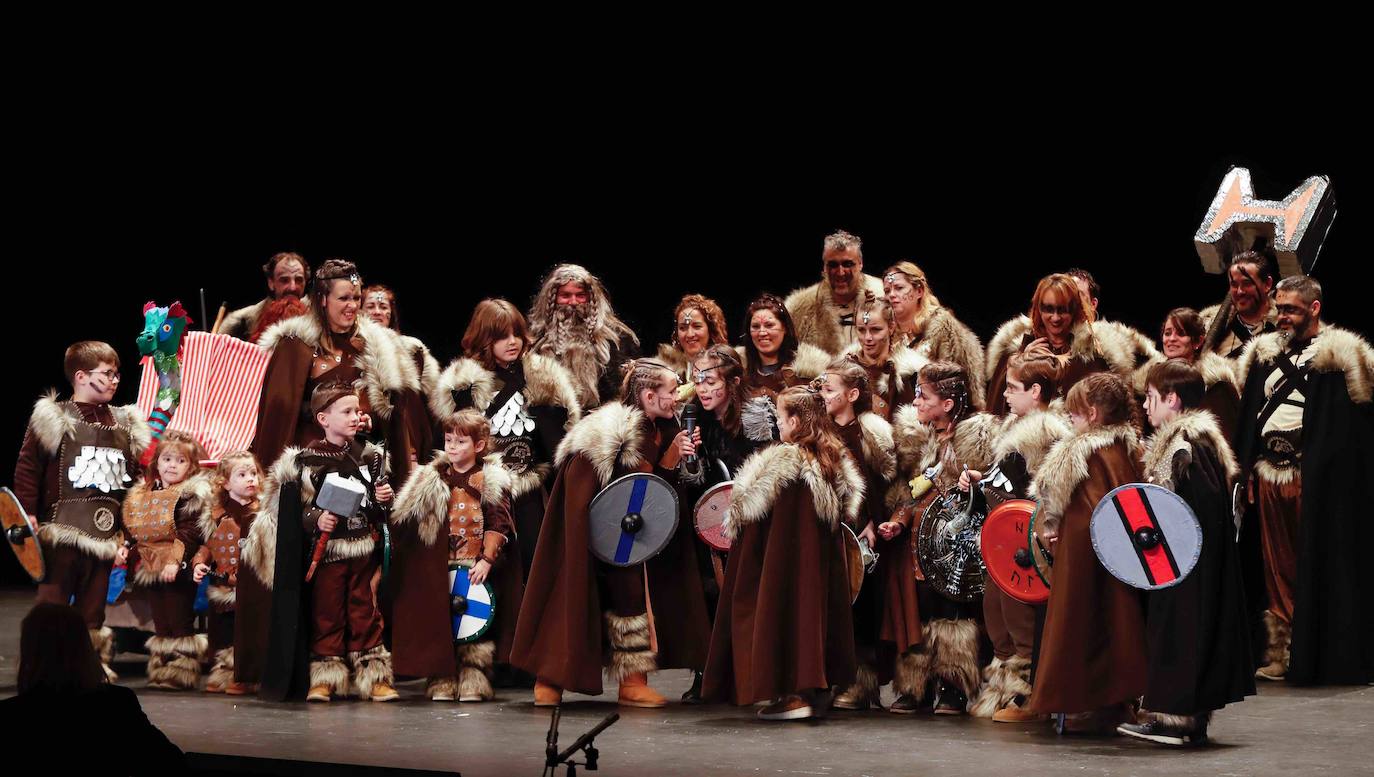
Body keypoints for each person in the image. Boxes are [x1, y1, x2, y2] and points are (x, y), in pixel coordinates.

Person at [510, 359, 709, 709]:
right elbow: (612, 489)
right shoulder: (615, 429)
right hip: (593, 527)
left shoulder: (659, 426)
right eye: (672, 391)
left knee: (630, 596)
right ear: (649, 394)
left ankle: (633, 681)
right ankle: (550, 679)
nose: (678, 397)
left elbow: (649, 494)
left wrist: (675, 458)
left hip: (627, 533)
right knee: (572, 597)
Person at [1234, 275, 1374, 685]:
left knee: (1321, 563)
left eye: (1291, 309)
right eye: (1279, 308)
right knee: (1278, 569)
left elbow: (1350, 430)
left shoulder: (1342, 355)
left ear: (1314, 308)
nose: (1282, 317)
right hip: (1270, 474)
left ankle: (1319, 652)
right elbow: (1250, 418)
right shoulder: (1263, 354)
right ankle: (1283, 651)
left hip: (1314, 479)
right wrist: (1248, 469)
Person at [701, 385, 863, 721]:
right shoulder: (827, 460)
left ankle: (793, 694)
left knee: (786, 613)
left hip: (783, 565)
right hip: (810, 568)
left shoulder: (787, 466)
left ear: (797, 420)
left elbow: (781, 532)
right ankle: (807, 690)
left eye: (780, 416)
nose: (777, 423)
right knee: (806, 614)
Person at [1116, 359, 1254, 746]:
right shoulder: (1197, 440)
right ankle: (1182, 718)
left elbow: (1194, 512)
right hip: (1185, 566)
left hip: (1184, 570)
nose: (1145, 407)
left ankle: (1176, 721)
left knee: (1181, 632)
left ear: (1172, 400)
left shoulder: (1184, 445)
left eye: (1151, 398)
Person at [245, 382, 399, 702]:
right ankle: (325, 675)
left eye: (357, 411)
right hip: (327, 552)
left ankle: (374, 676)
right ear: (323, 419)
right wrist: (316, 518)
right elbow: (294, 512)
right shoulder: (306, 461)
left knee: (364, 609)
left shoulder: (370, 455)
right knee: (327, 611)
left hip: (362, 546)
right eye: (347, 411)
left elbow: (379, 507)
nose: (356, 417)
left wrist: (384, 498)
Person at [12, 340, 150, 681]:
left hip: (105, 532)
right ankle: (43, 667)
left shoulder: (124, 423)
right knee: (53, 603)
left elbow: (132, 482)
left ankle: (88, 664)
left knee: (93, 607)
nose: (115, 380)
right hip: (62, 530)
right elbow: (29, 467)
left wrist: (130, 532)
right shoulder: (55, 417)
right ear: (81, 376)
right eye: (107, 374)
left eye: (117, 374)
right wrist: (26, 512)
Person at [1028, 373, 1147, 734]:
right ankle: (1114, 699)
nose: (1069, 418)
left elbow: (1087, 510)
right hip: (1120, 557)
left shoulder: (1086, 451)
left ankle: (1083, 701)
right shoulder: (1127, 449)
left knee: (1081, 622)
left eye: (1075, 412)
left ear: (1093, 414)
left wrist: (1057, 532)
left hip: (1086, 556)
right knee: (1119, 622)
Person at [251, 258, 435, 489]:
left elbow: (392, 415)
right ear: (323, 299)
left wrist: (369, 419)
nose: (352, 305)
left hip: (361, 463)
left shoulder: (376, 346)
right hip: (311, 469)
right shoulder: (295, 346)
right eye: (344, 298)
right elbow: (279, 417)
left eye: (356, 298)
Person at [430, 299, 581, 574]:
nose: (512, 342)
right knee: (487, 567)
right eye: (502, 337)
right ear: (484, 339)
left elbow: (558, 442)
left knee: (534, 562)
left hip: (531, 487)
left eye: (516, 334)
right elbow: (453, 444)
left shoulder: (541, 377)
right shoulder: (465, 386)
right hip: (483, 490)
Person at [961, 354, 1071, 722]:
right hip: (1002, 542)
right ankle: (1004, 690)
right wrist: (980, 479)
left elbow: (1046, 491)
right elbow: (1005, 479)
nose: (1004, 394)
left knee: (1021, 618)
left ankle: (1026, 698)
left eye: (1012, 388)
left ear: (1035, 391)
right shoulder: (1015, 427)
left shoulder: (1045, 432)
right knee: (997, 614)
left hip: (1026, 546)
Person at [884, 362, 998, 715]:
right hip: (920, 542)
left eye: (924, 395)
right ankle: (916, 687)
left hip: (958, 546)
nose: (915, 401)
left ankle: (953, 689)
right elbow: (912, 490)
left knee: (953, 615)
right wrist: (899, 520)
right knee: (919, 612)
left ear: (947, 403)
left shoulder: (974, 440)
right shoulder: (920, 439)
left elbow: (988, 493)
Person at [390, 409, 520, 702]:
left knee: (474, 622)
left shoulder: (490, 479)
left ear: (478, 446)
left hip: (474, 565)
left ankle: (474, 677)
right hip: (440, 565)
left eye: (460, 442)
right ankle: (442, 677)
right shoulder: (433, 476)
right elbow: (406, 516)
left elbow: (500, 521)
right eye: (448, 440)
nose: (451, 447)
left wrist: (487, 559)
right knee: (441, 622)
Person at [0, 603, 186, 770]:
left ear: (28, 651)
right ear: (84, 647)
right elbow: (170, 761)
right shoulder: (116, 704)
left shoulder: (9, 716)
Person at [817, 358, 896, 710]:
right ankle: (835, 678)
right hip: (831, 527)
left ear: (851, 394)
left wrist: (870, 519)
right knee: (836, 606)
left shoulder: (870, 433)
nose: (823, 394)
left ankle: (863, 684)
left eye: (829, 389)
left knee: (863, 606)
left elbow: (878, 483)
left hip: (864, 530)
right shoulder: (822, 431)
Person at [121, 431, 214, 690]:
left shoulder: (190, 495)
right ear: (157, 463)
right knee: (161, 619)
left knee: (178, 617)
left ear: (191, 467)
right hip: (151, 565)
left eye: (180, 461)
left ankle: (180, 671)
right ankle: (162, 669)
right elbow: (133, 525)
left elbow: (189, 532)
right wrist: (126, 545)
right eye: (167, 459)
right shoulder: (143, 493)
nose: (172, 465)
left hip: (179, 566)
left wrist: (176, 561)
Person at [985, 273, 1141, 417]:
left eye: (1063, 310)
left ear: (1075, 310)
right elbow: (996, 412)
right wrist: (1020, 364)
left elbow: (1111, 415)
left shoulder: (1092, 358)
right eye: (1048, 309)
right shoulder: (1017, 350)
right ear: (1038, 309)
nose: (1055, 318)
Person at [192, 450, 264, 695]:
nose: (250, 479)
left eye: (253, 473)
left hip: (255, 585)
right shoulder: (215, 513)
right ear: (225, 482)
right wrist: (199, 563)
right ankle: (224, 671)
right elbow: (207, 546)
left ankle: (247, 674)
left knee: (251, 629)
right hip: (225, 583)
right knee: (224, 629)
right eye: (242, 474)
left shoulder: (265, 512)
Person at [526, 263, 641, 409]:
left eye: (580, 295)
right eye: (565, 295)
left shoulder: (618, 339)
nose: (573, 302)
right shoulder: (535, 340)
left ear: (591, 297)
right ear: (552, 299)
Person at [882, 261, 986, 408]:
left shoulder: (941, 327)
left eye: (899, 288)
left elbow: (953, 382)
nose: (891, 295)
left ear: (919, 291)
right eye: (887, 291)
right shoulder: (886, 331)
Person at [785, 229, 886, 355]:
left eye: (848, 264)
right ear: (824, 267)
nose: (840, 272)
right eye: (833, 265)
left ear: (860, 264)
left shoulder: (886, 296)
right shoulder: (798, 310)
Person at [844, 295, 924, 421]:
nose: (867, 338)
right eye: (861, 330)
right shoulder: (842, 370)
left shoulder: (909, 374)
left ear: (891, 327)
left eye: (875, 330)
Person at [738, 294, 831, 400]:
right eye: (755, 326)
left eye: (769, 325)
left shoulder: (809, 374)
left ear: (785, 328)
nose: (762, 332)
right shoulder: (738, 372)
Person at [1200, 251, 1279, 360]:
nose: (1240, 291)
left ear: (1267, 284)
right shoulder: (1208, 328)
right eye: (1234, 285)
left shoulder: (1284, 326)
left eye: (1247, 283)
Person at [219, 251, 310, 341]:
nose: (292, 287)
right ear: (271, 282)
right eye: (284, 280)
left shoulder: (317, 316)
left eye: (299, 280)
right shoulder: (243, 322)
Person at [656, 293, 730, 383]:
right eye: (683, 328)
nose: (690, 334)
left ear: (711, 329)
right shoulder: (661, 371)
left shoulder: (728, 366)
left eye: (697, 326)